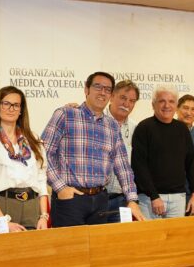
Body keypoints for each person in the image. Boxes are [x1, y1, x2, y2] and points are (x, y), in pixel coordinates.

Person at [41, 72, 144, 227]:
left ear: (111, 95)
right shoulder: (65, 115)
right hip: (70, 200)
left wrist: (132, 199)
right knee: (71, 243)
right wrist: (60, 188)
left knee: (99, 244)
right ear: (86, 89)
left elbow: (123, 166)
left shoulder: (112, 126)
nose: (102, 92)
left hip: (100, 201)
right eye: (98, 87)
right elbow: (43, 153)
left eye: (107, 89)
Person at [0, 86, 49, 233]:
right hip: (2, 207)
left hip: (32, 206)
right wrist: (3, 221)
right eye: (6, 104)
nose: (11, 109)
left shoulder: (33, 140)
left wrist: (43, 216)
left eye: (16, 105)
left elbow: (41, 179)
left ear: (21, 110)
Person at [131, 87, 194, 219]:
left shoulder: (182, 129)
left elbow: (191, 163)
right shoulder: (143, 128)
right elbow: (139, 166)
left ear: (176, 105)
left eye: (171, 101)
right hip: (150, 199)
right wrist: (154, 196)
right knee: (151, 233)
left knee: (177, 233)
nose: (167, 105)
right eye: (162, 101)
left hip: (178, 199)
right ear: (153, 105)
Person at [102, 80, 141, 222]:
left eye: (132, 101)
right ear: (112, 96)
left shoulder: (136, 128)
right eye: (123, 98)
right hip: (96, 198)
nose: (127, 104)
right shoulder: (95, 120)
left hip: (122, 199)